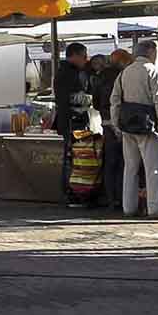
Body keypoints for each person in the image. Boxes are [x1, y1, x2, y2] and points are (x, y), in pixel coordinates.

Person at [114, 40, 158, 218]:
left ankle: (128, 207)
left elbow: (115, 100)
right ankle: (155, 207)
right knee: (153, 169)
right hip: (148, 126)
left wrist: (117, 124)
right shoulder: (154, 72)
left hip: (127, 127)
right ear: (151, 52)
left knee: (130, 168)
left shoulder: (124, 73)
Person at [54, 42, 95, 200]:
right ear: (76, 56)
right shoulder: (69, 74)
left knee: (74, 157)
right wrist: (89, 99)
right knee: (75, 158)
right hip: (73, 121)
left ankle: (74, 191)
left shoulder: (68, 72)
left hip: (71, 120)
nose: (86, 60)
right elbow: (71, 99)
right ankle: (74, 192)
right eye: (84, 56)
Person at [95, 50, 131, 207]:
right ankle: (124, 197)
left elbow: (95, 102)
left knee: (110, 162)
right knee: (125, 162)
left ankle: (111, 198)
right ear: (123, 61)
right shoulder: (124, 76)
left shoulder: (100, 76)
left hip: (106, 123)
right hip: (122, 122)